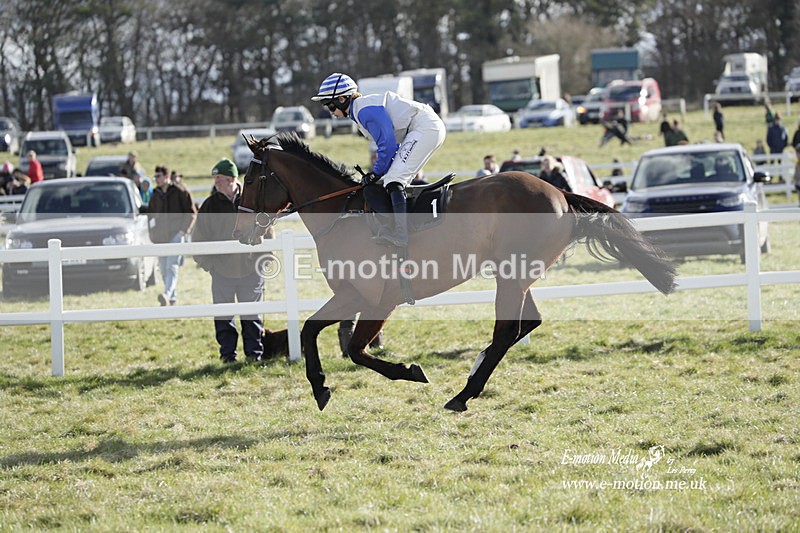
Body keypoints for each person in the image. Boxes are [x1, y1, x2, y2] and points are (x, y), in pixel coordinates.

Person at [312, 72, 446, 247]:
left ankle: (401, 234)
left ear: (343, 99)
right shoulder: (359, 110)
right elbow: (390, 147)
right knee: (389, 179)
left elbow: (388, 145)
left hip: (424, 127)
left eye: (330, 106)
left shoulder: (364, 110)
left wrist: (376, 172)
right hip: (421, 128)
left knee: (393, 179)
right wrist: (377, 173)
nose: (330, 112)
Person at [193, 158, 269, 363]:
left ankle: (254, 355)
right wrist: (210, 266)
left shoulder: (252, 200)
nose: (216, 182)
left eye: (220, 177)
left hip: (251, 270)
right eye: (215, 178)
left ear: (232, 178)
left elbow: (267, 230)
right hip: (222, 273)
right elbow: (198, 237)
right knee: (224, 315)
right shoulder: (209, 205)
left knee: (252, 315)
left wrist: (264, 261)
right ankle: (228, 356)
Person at [147, 164, 197, 306]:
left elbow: (192, 213)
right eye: (155, 176)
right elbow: (150, 215)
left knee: (172, 266)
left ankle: (166, 294)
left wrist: (184, 231)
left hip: (177, 234)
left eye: (159, 176)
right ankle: (171, 298)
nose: (156, 179)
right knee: (163, 269)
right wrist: (152, 233)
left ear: (167, 176)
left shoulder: (180, 191)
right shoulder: (155, 194)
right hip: (160, 237)